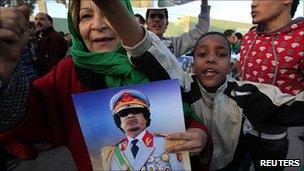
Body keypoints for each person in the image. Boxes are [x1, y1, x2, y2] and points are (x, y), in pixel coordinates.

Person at [0, 0, 212, 170]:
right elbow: (24, 118)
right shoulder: (67, 74)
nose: (98, 25)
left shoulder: (150, 63)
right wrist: (6, 68)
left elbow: (185, 117)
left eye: (109, 14)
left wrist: (199, 135)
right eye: (85, 16)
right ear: (75, 26)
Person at [182, 31, 303, 170]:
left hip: (264, 147)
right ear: (192, 65)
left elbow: (294, 106)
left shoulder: (246, 95)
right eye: (202, 54)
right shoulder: (182, 89)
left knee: (271, 164)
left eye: (221, 54)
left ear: (230, 66)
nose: (211, 59)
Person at [238, 0, 303, 170]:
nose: (253, 3)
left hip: (272, 143)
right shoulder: (249, 36)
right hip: (236, 134)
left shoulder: (302, 38)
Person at [101, 89, 185, 170]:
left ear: (146, 117)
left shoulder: (167, 143)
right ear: (119, 122)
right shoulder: (113, 154)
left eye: (135, 111)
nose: (130, 116)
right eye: (123, 113)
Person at [145, 0, 210, 57]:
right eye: (152, 16)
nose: (156, 19)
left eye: (161, 16)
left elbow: (201, 31)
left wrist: (204, 3)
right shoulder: (138, 41)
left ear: (166, 23)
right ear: (146, 22)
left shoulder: (174, 44)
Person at [33, 12, 68, 77]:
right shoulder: (38, 36)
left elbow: (53, 61)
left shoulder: (55, 37)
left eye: (42, 19)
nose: (38, 21)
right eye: (36, 19)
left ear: (51, 23)